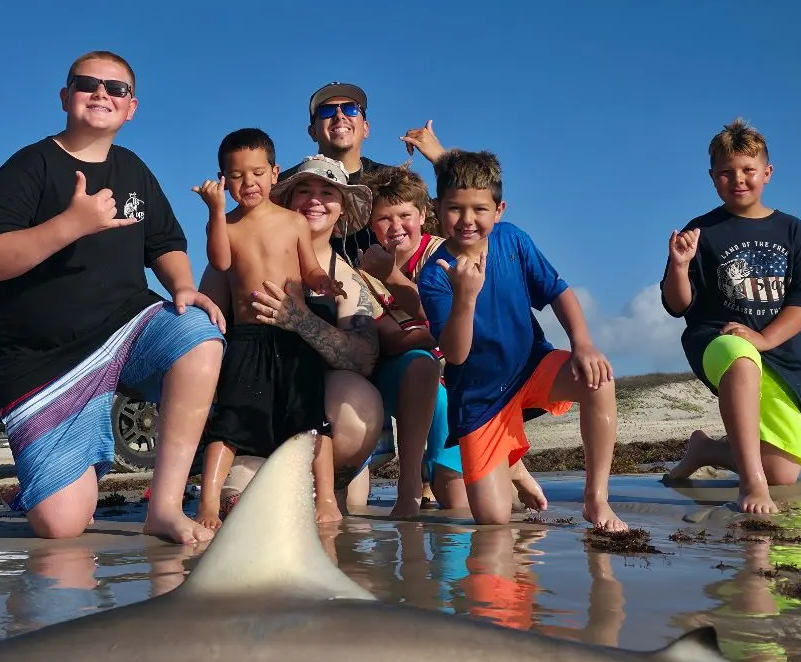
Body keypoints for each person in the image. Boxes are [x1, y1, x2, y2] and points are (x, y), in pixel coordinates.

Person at [0, 51, 225, 545]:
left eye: (118, 89)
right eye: (88, 84)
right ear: (66, 97)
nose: (102, 94)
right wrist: (72, 224)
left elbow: (166, 243)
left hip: (125, 328)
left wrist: (183, 286)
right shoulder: (27, 167)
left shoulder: (134, 169)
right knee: (61, 526)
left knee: (198, 333)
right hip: (44, 362)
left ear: (131, 109)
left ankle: (166, 507)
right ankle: (73, 464)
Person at [419, 149, 627, 532]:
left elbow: (557, 291)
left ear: (499, 210)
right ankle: (511, 465)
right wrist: (465, 296)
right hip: (479, 399)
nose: (467, 220)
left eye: (480, 209)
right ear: (436, 208)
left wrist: (582, 343)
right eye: (455, 209)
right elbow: (456, 354)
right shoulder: (434, 276)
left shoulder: (512, 241)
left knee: (599, 379)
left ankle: (596, 499)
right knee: (495, 520)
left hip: (531, 367)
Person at [659, 119, 801, 514]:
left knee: (784, 472)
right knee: (739, 353)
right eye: (725, 172)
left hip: (778, 352)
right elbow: (678, 305)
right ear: (712, 177)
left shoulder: (794, 231)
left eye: (748, 170)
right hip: (716, 341)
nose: (737, 179)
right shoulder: (700, 230)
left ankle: (707, 450)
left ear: (766, 174)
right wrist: (680, 266)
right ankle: (751, 486)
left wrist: (767, 339)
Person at [202, 154, 385, 523]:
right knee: (244, 512)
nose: (315, 200)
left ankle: (323, 490)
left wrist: (300, 320)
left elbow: (363, 360)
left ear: (341, 210)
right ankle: (236, 484)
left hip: (307, 391)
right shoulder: (236, 246)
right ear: (286, 197)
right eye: (305, 190)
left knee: (351, 402)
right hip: (250, 388)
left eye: (328, 192)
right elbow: (206, 330)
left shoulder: (347, 277)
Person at [192, 128, 339, 530]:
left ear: (275, 173)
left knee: (310, 417)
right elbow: (220, 262)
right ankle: (206, 503)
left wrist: (321, 282)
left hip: (294, 336)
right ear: (223, 180)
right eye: (236, 175)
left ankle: (326, 497)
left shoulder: (293, 221)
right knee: (232, 420)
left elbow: (309, 266)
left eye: (257, 172)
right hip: (248, 335)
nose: (248, 183)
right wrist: (215, 211)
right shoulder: (227, 224)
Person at [357, 166, 461, 519]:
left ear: (422, 215)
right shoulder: (364, 269)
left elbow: (446, 315)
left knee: (463, 502)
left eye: (405, 215)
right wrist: (433, 332)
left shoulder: (441, 254)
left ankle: (511, 474)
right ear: (370, 224)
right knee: (422, 364)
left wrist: (393, 276)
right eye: (384, 218)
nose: (396, 226)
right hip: (405, 373)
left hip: (453, 373)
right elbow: (390, 339)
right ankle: (412, 484)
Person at [283, 83, 448, 263]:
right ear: (313, 131)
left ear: (366, 128)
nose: (339, 116)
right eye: (326, 111)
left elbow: (454, 222)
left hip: (386, 288)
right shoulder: (288, 184)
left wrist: (442, 160)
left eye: (351, 109)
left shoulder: (391, 181)